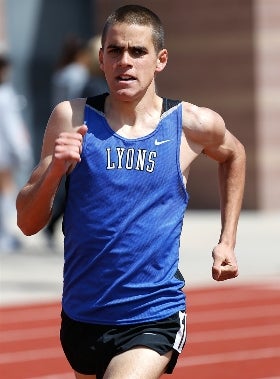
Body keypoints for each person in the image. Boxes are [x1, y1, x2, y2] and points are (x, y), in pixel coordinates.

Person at [16, 4, 246, 379]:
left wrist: (227, 240)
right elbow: (27, 222)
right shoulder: (71, 118)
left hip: (152, 315)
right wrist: (54, 171)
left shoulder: (190, 124)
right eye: (115, 51)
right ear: (101, 58)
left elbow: (234, 154)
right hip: (82, 316)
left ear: (160, 60)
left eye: (138, 52)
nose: (125, 61)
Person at [0, 54, 33, 252]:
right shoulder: (5, 95)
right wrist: (22, 152)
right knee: (6, 191)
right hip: (3, 152)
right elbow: (11, 128)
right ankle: (3, 235)